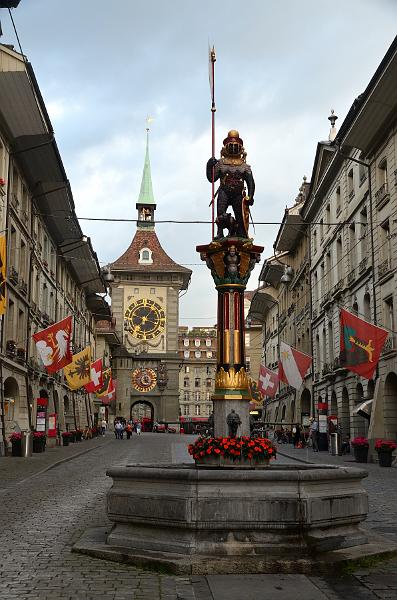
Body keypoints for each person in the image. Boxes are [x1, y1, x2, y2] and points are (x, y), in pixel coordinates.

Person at [206, 130, 255, 238]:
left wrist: (250, 196)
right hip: (224, 191)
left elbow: (251, 182)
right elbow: (212, 178)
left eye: (235, 146)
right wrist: (209, 165)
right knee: (220, 213)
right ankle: (220, 232)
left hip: (238, 193)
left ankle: (241, 232)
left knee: (240, 215)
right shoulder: (221, 163)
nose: (233, 148)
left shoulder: (244, 166)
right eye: (231, 145)